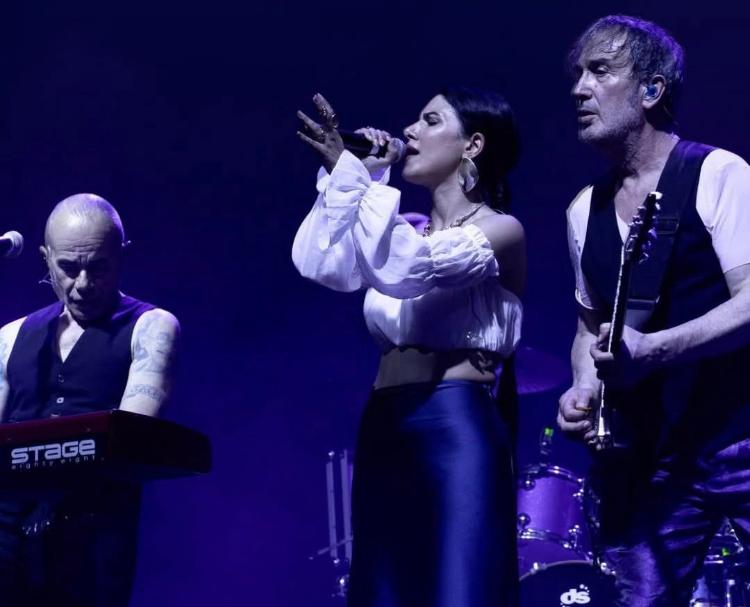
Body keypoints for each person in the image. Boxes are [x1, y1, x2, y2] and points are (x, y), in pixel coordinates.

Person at [293, 89, 525, 606]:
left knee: (458, 585)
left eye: (430, 121)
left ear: (473, 145)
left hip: (454, 423)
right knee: (385, 591)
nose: (410, 131)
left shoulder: (499, 230)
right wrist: (358, 174)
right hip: (385, 422)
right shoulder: (403, 230)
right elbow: (320, 262)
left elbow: (409, 269)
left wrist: (362, 183)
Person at [557, 15, 750, 606]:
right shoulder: (583, 210)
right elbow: (590, 326)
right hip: (654, 458)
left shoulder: (719, 173)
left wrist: (656, 349)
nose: (579, 89)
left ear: (651, 89)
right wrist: (582, 389)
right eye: (577, 75)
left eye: (599, 71)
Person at [0, 193, 180, 607]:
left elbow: (129, 440)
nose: (82, 284)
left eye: (98, 267)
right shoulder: (9, 337)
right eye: (68, 268)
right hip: (6, 534)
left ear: (122, 255)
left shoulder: (152, 327)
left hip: (93, 534)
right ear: (45, 258)